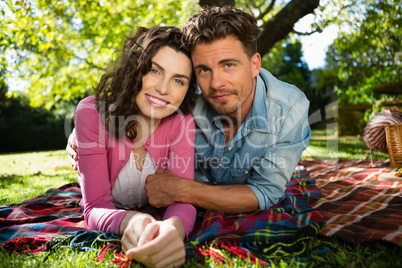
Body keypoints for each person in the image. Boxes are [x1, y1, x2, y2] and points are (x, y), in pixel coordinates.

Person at [68, 6, 310, 215]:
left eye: (228, 65)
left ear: (255, 64)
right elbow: (134, 102)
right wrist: (82, 132)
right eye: (204, 69)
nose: (216, 83)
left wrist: (186, 191)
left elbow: (265, 192)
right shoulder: (184, 101)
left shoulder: (289, 111)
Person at [73, 26, 197, 268]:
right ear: (135, 69)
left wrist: (173, 227)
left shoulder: (182, 122)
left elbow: (182, 197)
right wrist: (130, 222)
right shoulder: (91, 113)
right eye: (154, 70)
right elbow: (96, 206)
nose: (163, 89)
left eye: (178, 80)